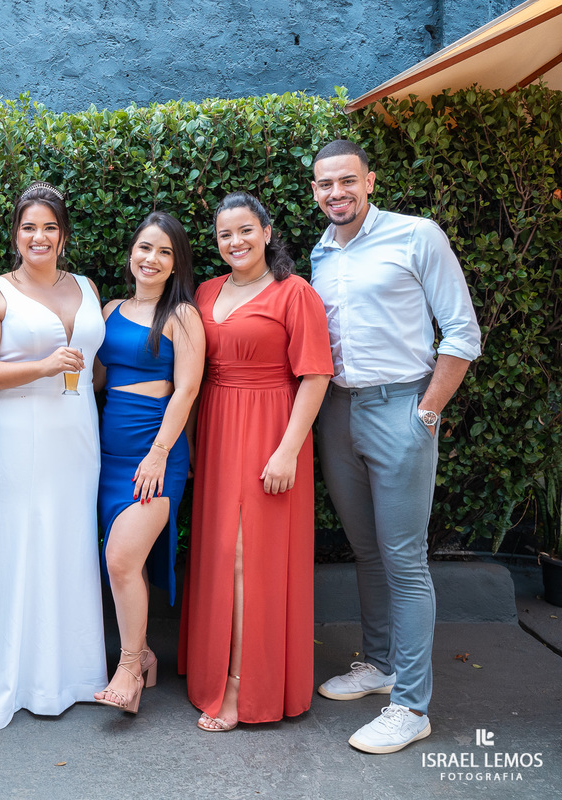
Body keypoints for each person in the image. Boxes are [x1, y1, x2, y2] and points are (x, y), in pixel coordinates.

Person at [309, 140, 481, 754]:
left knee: (404, 561)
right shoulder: (320, 254)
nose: (337, 193)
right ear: (315, 191)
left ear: (370, 181)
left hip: (401, 409)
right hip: (337, 412)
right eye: (326, 184)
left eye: (347, 181)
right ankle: (379, 667)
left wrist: (427, 412)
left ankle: (411, 705)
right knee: (365, 550)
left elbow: (463, 330)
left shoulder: (417, 236)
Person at [0, 181, 107, 732]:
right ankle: (8, 675)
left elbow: (96, 363)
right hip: (17, 429)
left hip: (77, 431)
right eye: (28, 227)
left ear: (62, 235)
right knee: (15, 540)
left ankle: (68, 674)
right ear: (15, 235)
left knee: (68, 539)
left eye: (48, 226)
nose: (38, 236)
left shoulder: (86, 286)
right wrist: (42, 367)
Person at [178, 191, 332, 732]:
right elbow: (193, 377)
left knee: (250, 557)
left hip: (271, 428)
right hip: (218, 428)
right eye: (224, 235)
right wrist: (192, 441)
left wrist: (288, 449)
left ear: (267, 232)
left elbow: (315, 376)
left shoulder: (295, 294)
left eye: (245, 230)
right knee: (220, 551)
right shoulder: (204, 291)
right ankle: (211, 670)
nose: (235, 242)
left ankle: (246, 685)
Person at [92, 212, 204, 713]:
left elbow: (187, 389)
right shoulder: (111, 308)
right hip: (107, 457)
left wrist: (159, 453)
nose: (151, 259)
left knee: (120, 558)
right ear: (131, 253)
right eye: (144, 248)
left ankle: (130, 667)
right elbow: (94, 379)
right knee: (120, 563)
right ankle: (147, 656)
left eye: (163, 251)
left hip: (155, 458)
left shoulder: (183, 315)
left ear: (176, 262)